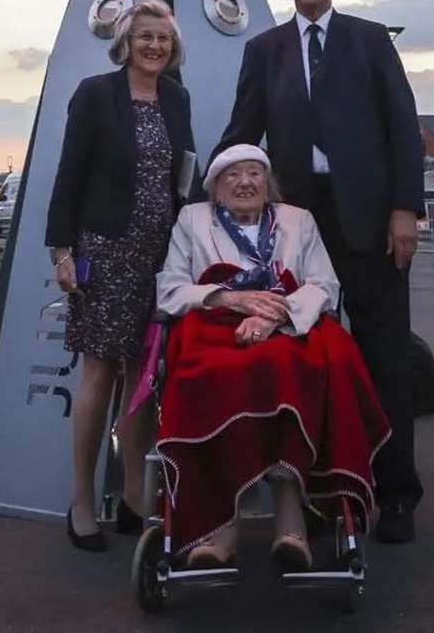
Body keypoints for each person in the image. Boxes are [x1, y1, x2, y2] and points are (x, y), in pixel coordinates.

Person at [211, 0, 424, 543]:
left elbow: (403, 127)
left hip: (374, 224)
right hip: (298, 231)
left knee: (386, 359)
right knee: (309, 358)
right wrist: (204, 201)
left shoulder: (370, 39)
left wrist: (405, 208)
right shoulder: (265, 50)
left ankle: (399, 493)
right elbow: (242, 132)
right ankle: (323, 494)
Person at [155, 145, 389, 567]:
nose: (244, 183)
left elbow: (324, 285)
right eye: (232, 176)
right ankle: (221, 526)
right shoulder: (193, 220)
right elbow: (170, 290)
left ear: (268, 183)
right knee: (212, 373)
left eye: (253, 174)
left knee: (295, 366)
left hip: (288, 326)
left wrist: (273, 317)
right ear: (215, 188)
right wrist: (234, 299)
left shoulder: (298, 220)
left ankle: (290, 518)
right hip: (216, 325)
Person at [45, 0, 195, 553]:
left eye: (163, 39)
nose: (154, 46)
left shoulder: (177, 98)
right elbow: (69, 176)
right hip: (105, 254)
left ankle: (135, 495)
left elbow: (186, 176)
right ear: (126, 42)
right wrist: (61, 252)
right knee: (99, 376)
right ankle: (82, 502)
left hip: (161, 257)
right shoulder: (93, 94)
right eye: (145, 37)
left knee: (144, 379)